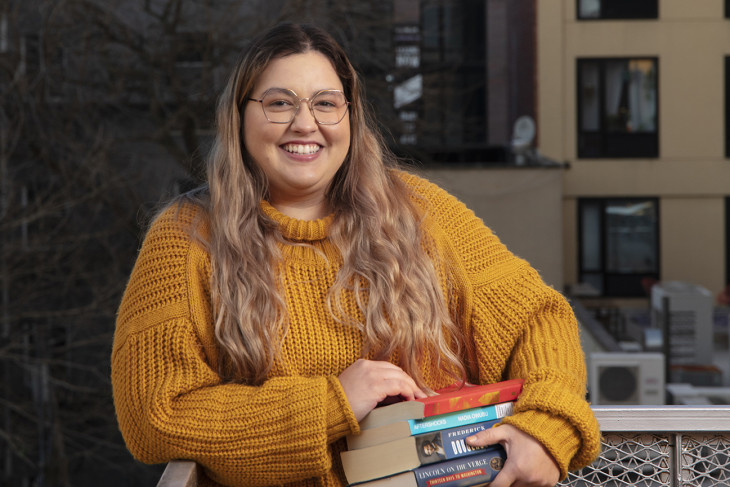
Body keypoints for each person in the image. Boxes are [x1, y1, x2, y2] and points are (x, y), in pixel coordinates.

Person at [111, 22, 601, 487]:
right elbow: (156, 415)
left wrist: (545, 427)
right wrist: (332, 401)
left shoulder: (420, 212)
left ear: (351, 115)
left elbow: (540, 319)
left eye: (327, 103)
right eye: (279, 102)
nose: (306, 124)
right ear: (240, 116)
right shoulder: (186, 238)